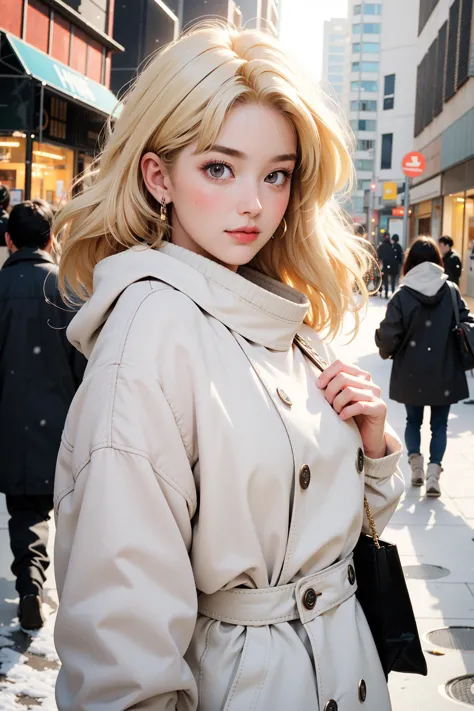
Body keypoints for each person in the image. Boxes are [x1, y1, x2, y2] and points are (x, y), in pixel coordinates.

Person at [52, 24, 404, 711]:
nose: (254, 202)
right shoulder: (151, 336)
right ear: (160, 176)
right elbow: (122, 653)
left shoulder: (283, 319)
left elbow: (314, 536)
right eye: (220, 167)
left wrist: (372, 451)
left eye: (275, 174)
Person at [0, 201, 86, 631]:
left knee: (26, 511)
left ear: (8, 240)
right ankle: (78, 601)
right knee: (66, 511)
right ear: (51, 239)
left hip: (12, 425)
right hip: (63, 426)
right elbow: (85, 365)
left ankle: (30, 584)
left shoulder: (1, 288)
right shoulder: (66, 289)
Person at [375, 236, 473, 497]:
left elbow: (388, 336)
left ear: (410, 262)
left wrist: (384, 347)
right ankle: (433, 473)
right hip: (445, 369)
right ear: (437, 261)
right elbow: (467, 321)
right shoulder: (451, 290)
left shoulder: (403, 295)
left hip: (411, 371)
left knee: (412, 421)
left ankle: (415, 466)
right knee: (440, 426)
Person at [377, 233, 398, 298]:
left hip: (385, 264)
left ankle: (385, 293)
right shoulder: (391, 246)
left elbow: (379, 255)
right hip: (390, 265)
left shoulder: (382, 246)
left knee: (385, 280)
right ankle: (391, 293)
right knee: (391, 280)